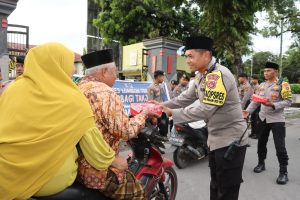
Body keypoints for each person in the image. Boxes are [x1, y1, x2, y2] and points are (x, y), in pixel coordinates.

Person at [0, 43, 121, 199]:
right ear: (57, 65)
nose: (73, 69)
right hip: (47, 181)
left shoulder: (12, 90)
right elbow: (96, 155)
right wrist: (116, 162)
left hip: (6, 177)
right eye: (69, 63)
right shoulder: (72, 98)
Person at [156, 36, 247, 200]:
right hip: (214, 138)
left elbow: (205, 109)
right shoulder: (201, 75)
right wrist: (161, 106)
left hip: (230, 140)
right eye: (186, 56)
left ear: (206, 55)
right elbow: (184, 98)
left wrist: (172, 113)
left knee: (226, 190)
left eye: (190, 56)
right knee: (216, 184)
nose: (187, 60)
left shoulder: (219, 76)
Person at [78, 49, 158, 200]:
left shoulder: (79, 87)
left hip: (77, 164)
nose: (115, 77)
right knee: (139, 194)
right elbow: (126, 131)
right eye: (114, 72)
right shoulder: (106, 93)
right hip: (98, 169)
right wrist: (145, 114)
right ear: (103, 71)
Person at [244, 61, 292, 185]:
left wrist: (273, 104)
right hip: (263, 118)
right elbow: (255, 100)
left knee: (280, 146)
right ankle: (261, 163)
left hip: (277, 119)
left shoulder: (283, 84)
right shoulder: (262, 85)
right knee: (261, 143)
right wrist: (247, 111)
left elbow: (288, 101)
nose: (265, 73)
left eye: (268, 71)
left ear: (275, 72)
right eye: (264, 71)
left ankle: (283, 172)